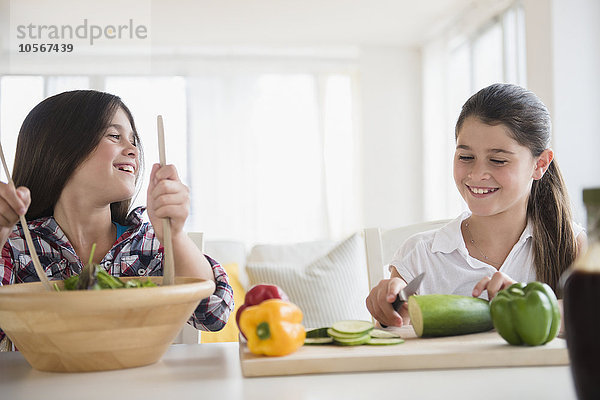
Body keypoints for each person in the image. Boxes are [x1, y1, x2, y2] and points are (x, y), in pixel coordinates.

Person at [0, 90, 234, 345]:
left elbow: (214, 312)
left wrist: (175, 235)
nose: (134, 149)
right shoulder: (15, 245)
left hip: (137, 383)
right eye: (114, 136)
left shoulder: (149, 244)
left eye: (133, 140)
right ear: (61, 149)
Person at [366, 83, 586, 328]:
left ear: (540, 164)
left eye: (498, 160)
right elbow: (394, 347)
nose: (477, 174)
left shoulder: (573, 245)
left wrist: (536, 305)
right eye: (466, 157)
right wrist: (393, 318)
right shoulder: (421, 256)